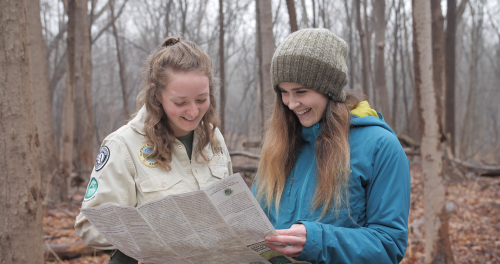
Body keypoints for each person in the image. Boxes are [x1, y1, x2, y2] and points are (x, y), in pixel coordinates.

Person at [252, 28, 411, 263]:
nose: (292, 103)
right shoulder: (280, 145)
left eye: (301, 91)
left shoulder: (380, 147)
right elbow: (257, 220)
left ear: (329, 90)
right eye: (284, 93)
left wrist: (317, 241)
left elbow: (389, 245)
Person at [75, 37, 233, 264]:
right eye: (180, 103)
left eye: (201, 99)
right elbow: (90, 225)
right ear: (156, 95)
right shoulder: (123, 145)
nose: (193, 111)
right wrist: (151, 243)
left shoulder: (213, 136)